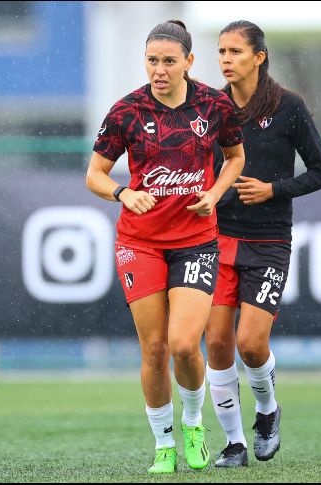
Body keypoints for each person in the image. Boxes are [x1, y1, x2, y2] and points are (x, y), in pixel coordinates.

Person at [85, 20, 245, 474]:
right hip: (140, 243)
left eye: (169, 61)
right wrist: (122, 193)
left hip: (196, 242)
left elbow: (236, 158)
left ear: (189, 63)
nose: (159, 70)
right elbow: (94, 174)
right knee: (153, 349)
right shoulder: (126, 112)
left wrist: (214, 194)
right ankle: (163, 443)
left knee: (182, 345)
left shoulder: (215, 105)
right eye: (152, 61)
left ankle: (194, 424)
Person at [204, 20, 321, 467]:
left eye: (235, 52)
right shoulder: (209, 107)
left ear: (259, 57)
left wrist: (274, 190)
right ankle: (235, 443)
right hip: (216, 239)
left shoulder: (289, 107)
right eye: (221, 52)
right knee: (216, 341)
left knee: (251, 344)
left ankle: (267, 409)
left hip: (269, 241)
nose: (226, 60)